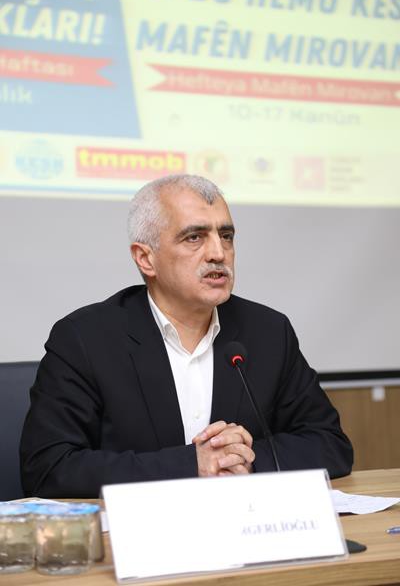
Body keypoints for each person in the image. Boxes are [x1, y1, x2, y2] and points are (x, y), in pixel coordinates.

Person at [20, 174, 353, 497]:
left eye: (226, 235)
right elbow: (47, 468)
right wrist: (192, 465)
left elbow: (330, 444)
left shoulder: (268, 332)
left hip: (245, 522)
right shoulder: (85, 339)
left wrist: (245, 460)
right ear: (145, 258)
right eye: (194, 237)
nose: (218, 253)